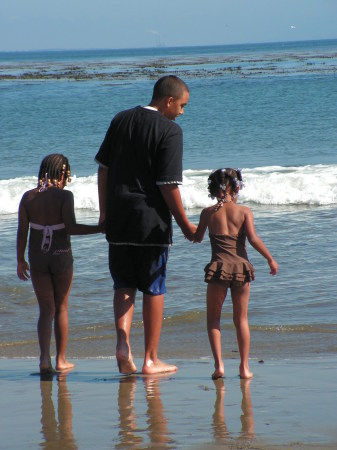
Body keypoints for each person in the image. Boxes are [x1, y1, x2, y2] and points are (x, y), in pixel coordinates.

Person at [95, 75, 196, 375]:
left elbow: (103, 170)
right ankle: (151, 359)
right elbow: (167, 185)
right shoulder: (170, 131)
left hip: (119, 216)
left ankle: (122, 344)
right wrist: (186, 224)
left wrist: (104, 213)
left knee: (124, 284)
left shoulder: (121, 119)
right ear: (168, 100)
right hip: (151, 221)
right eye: (181, 105)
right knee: (154, 287)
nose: (181, 112)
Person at [17, 154, 104, 373]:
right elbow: (71, 228)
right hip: (61, 255)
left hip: (38, 258)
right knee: (61, 307)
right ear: (62, 173)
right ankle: (61, 360)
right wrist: (99, 228)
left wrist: (20, 260)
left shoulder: (27, 198)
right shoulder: (65, 196)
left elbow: (22, 233)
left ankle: (44, 359)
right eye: (68, 174)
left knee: (46, 310)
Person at [194, 168, 278, 379]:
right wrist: (270, 258)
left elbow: (196, 236)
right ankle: (244, 367)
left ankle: (218, 366)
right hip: (241, 269)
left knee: (213, 319)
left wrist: (181, 223)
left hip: (218, 270)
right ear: (235, 187)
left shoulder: (207, 213)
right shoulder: (244, 211)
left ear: (214, 189)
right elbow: (254, 239)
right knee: (241, 319)